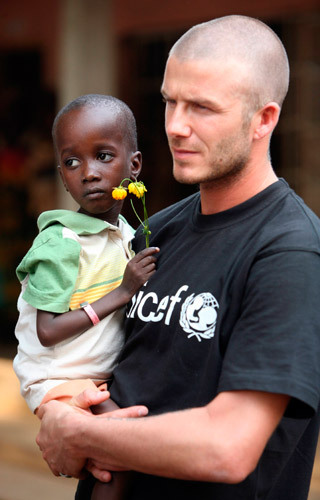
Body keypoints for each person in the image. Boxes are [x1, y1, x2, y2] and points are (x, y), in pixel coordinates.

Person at [36, 15, 320, 500]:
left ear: (264, 119)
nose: (175, 126)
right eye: (170, 101)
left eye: (203, 108)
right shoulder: (154, 231)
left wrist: (80, 435)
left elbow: (227, 447)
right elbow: (86, 358)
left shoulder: (290, 252)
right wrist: (55, 409)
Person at [13, 94, 159, 499]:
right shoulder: (61, 242)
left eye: (103, 156)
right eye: (72, 162)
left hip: (94, 375)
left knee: (108, 462)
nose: (89, 173)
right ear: (61, 173)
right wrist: (123, 291)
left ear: (134, 165)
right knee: (121, 446)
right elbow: (47, 330)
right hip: (58, 377)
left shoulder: (127, 234)